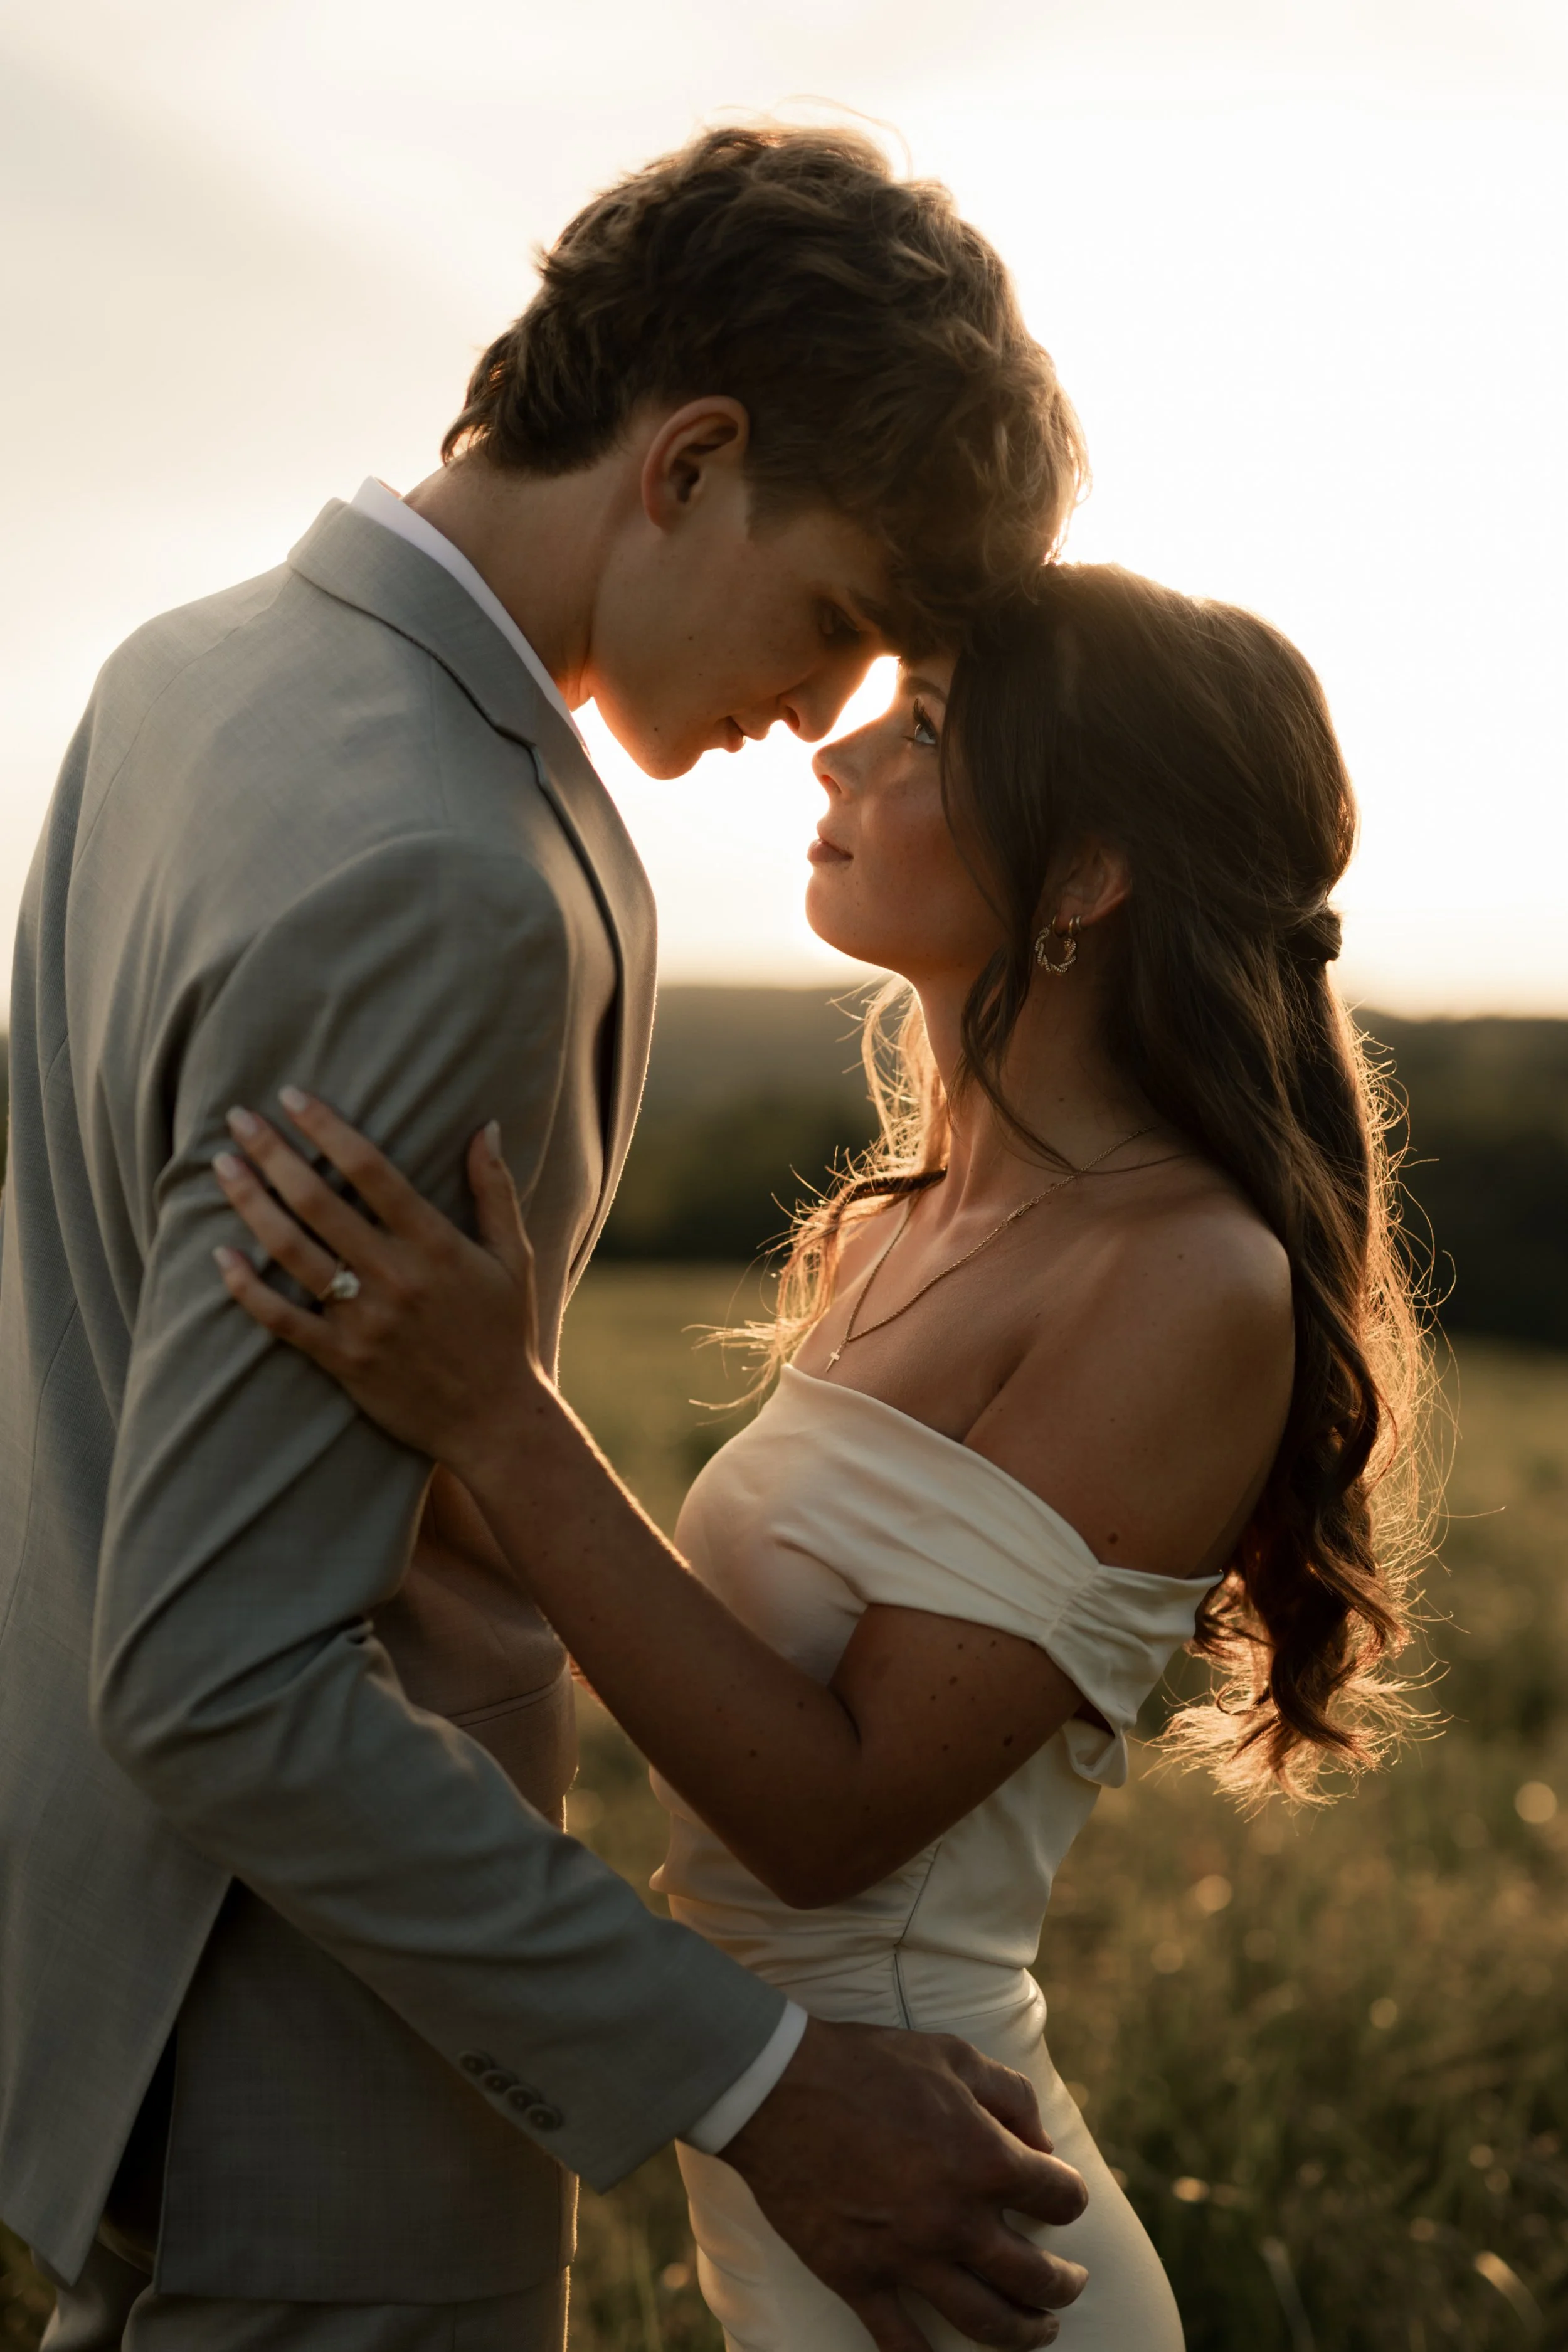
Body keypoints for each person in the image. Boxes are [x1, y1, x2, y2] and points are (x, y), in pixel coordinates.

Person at [0, 127, 1093, 2352]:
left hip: (94, 2004)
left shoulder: (182, 669)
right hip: (318, 2087)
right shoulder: (447, 869)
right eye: (831, 618)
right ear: (688, 460)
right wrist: (760, 2083)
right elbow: (223, 1672)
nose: (819, 707)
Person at [208, 561, 1425, 2350]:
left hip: (958, 2235)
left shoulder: (1186, 1276)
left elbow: (826, 1818)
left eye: (922, 727)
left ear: (1083, 878)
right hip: (797, 2184)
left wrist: (491, 1405)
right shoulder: (895, 1229)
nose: (835, 753)